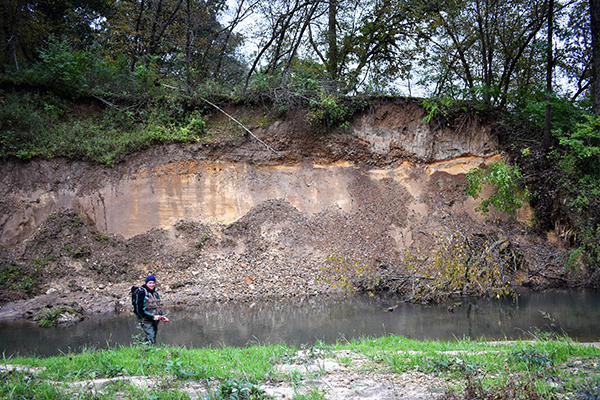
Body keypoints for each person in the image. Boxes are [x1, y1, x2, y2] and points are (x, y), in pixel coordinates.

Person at [133, 274, 169, 345]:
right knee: (151, 337)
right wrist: (153, 317)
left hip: (154, 320)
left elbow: (158, 307)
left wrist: (162, 316)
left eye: (153, 283)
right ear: (146, 283)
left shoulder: (155, 293)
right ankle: (146, 351)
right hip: (145, 319)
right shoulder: (142, 293)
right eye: (150, 283)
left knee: (152, 337)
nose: (152, 285)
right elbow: (139, 311)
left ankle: (145, 351)